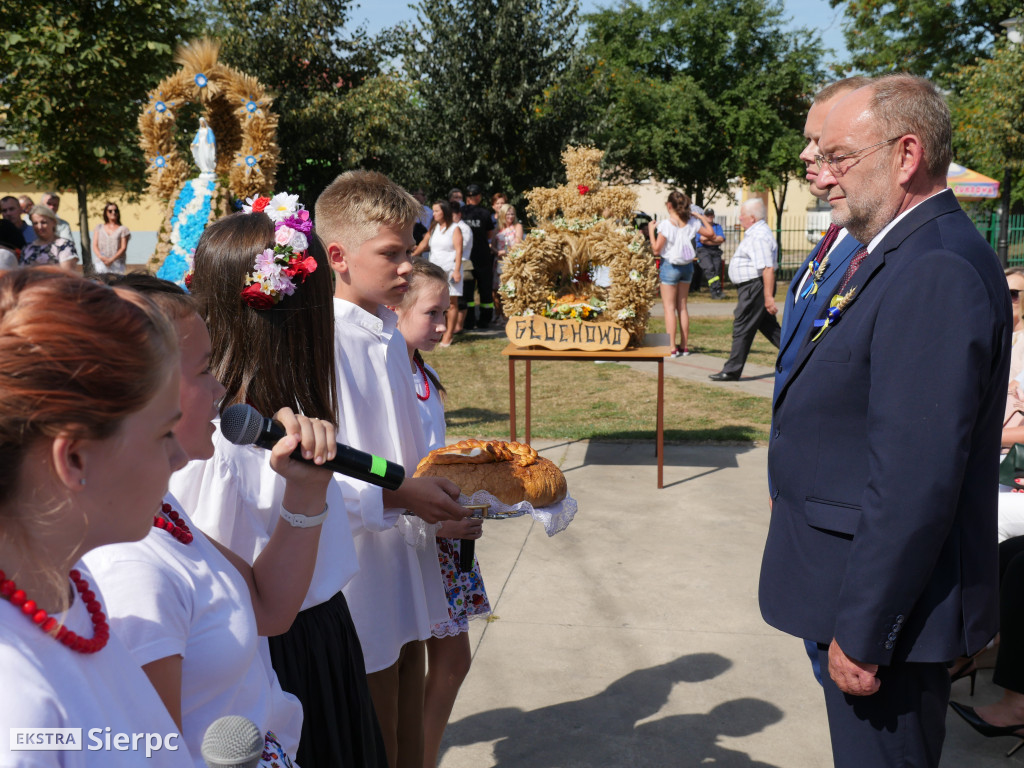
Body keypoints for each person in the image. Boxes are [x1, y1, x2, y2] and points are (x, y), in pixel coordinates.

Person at [760, 74, 1010, 768]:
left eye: (838, 156)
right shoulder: (895, 251)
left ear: (905, 156)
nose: (820, 173)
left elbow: (914, 478)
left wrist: (867, 630)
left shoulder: (935, 269)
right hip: (845, 587)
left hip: (879, 614)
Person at [86, 275, 337, 767]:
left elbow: (269, 609)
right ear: (143, 391)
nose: (221, 387)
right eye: (203, 370)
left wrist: (306, 492)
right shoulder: (128, 568)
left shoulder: (158, 510)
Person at [169, 197, 386, 768]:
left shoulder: (281, 418)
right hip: (273, 659)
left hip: (326, 635)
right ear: (300, 320)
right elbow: (222, 595)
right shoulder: (212, 445)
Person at [0, 268, 192, 767]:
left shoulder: (66, 580)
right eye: (162, 435)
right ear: (75, 459)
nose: (179, 459)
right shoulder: (18, 710)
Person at [315, 169, 471, 768]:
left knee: (407, 739)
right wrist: (403, 498)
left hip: (406, 571)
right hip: (359, 584)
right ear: (340, 256)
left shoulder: (385, 334)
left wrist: (442, 504)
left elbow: (410, 459)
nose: (407, 266)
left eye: (410, 250)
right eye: (392, 253)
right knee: (373, 738)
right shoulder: (324, 344)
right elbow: (313, 477)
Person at [770, 75, 871, 687]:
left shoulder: (878, 245)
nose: (807, 157)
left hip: (847, 514)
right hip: (805, 494)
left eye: (824, 146)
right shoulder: (835, 234)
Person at [394, 260, 490, 768]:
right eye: (432, 313)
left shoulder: (421, 372)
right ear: (397, 309)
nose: (441, 325)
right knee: (427, 663)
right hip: (417, 534)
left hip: (444, 533)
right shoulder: (392, 378)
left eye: (445, 313)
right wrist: (434, 522)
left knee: (451, 661)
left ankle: (422, 755)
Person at [708, 198, 779, 379]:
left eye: (743, 215)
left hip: (754, 287)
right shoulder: (755, 233)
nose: (739, 218)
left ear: (752, 218)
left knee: (742, 326)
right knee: (770, 329)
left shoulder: (758, 236)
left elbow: (768, 268)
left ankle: (731, 371)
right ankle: (800, 356)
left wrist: (768, 297)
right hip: (754, 287)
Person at [648, 191, 717, 358]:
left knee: (669, 308)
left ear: (669, 206)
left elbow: (656, 249)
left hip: (670, 266)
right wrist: (701, 218)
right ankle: (684, 346)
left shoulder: (666, 225)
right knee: (682, 308)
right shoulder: (692, 222)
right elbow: (711, 234)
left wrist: (651, 231)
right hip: (687, 267)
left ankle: (672, 347)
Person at [411, 200, 462, 347]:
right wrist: (410, 254)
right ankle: (436, 333)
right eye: (433, 211)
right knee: (435, 304)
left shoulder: (455, 229)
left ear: (444, 212)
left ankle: (448, 335)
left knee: (451, 304)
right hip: (435, 273)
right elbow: (422, 245)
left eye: (436, 211)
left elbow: (459, 251)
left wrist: (457, 270)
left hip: (451, 271)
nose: (433, 214)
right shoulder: (433, 228)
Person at [459, 184, 495, 329]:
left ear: (467, 197)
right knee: (485, 289)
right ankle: (485, 320)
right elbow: (489, 235)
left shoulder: (460, 213)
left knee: (467, 291)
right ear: (478, 197)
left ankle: (468, 321)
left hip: (466, 257)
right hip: (483, 257)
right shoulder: (485, 213)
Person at [22, 204, 79, 271]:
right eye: (35, 223)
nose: (39, 227)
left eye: (43, 222)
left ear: (53, 222)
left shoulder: (64, 246)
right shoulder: (28, 248)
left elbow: (67, 274)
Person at [451, 200, 473, 335]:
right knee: (454, 297)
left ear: (458, 214)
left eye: (452, 215)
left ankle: (459, 326)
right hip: (452, 264)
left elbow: (458, 247)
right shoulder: (451, 228)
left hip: (463, 264)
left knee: (462, 297)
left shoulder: (464, 228)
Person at [91, 202, 131, 275]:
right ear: (106, 213)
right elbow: (95, 245)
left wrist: (111, 260)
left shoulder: (123, 229)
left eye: (115, 211)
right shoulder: (99, 228)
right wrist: (102, 258)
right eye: (110, 211)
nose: (113, 213)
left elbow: (123, 247)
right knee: (101, 284)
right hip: (101, 262)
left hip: (117, 263)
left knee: (116, 284)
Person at [693, 208, 725, 299]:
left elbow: (721, 239)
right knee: (710, 268)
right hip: (702, 250)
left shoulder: (717, 226)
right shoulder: (700, 227)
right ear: (704, 216)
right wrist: (715, 238)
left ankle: (717, 291)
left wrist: (710, 238)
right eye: (707, 215)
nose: (710, 217)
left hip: (715, 250)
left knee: (716, 270)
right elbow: (702, 240)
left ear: (714, 216)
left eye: (711, 215)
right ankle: (715, 291)